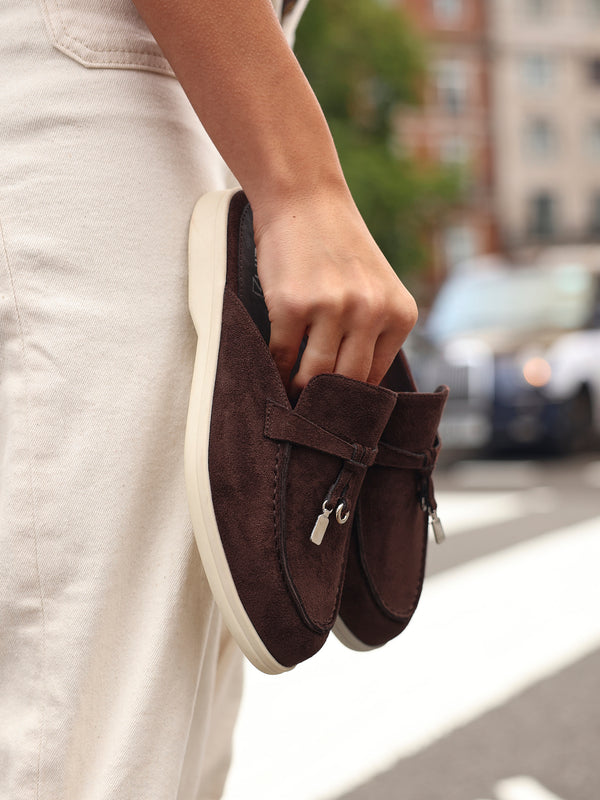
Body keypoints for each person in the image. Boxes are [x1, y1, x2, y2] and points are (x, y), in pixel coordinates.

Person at [0, 1, 417, 797]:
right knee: (95, 732)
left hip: (213, 66)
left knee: (164, 721)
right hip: (102, 56)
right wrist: (303, 189)